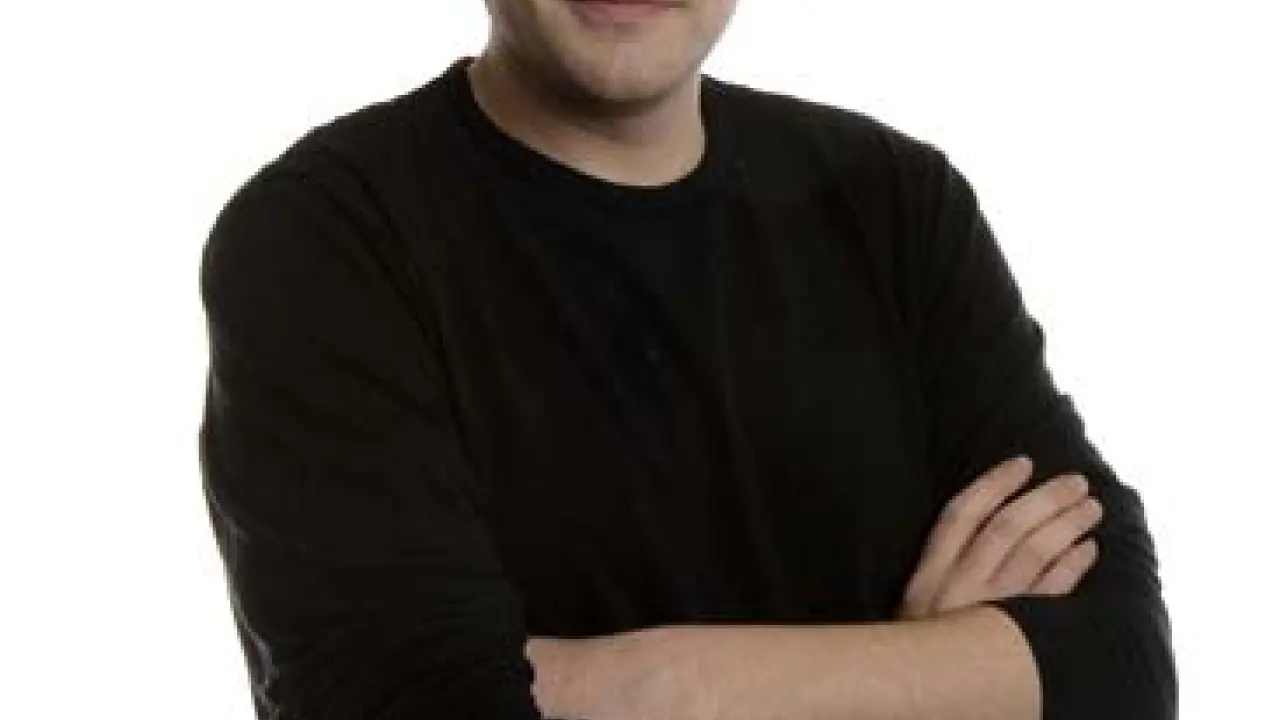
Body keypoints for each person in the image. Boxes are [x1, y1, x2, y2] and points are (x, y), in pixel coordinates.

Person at [196, 1, 1176, 718]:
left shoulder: (897, 206)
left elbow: (1117, 667)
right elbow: (409, 704)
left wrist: (631, 685)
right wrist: (929, 675)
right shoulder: (325, 242)